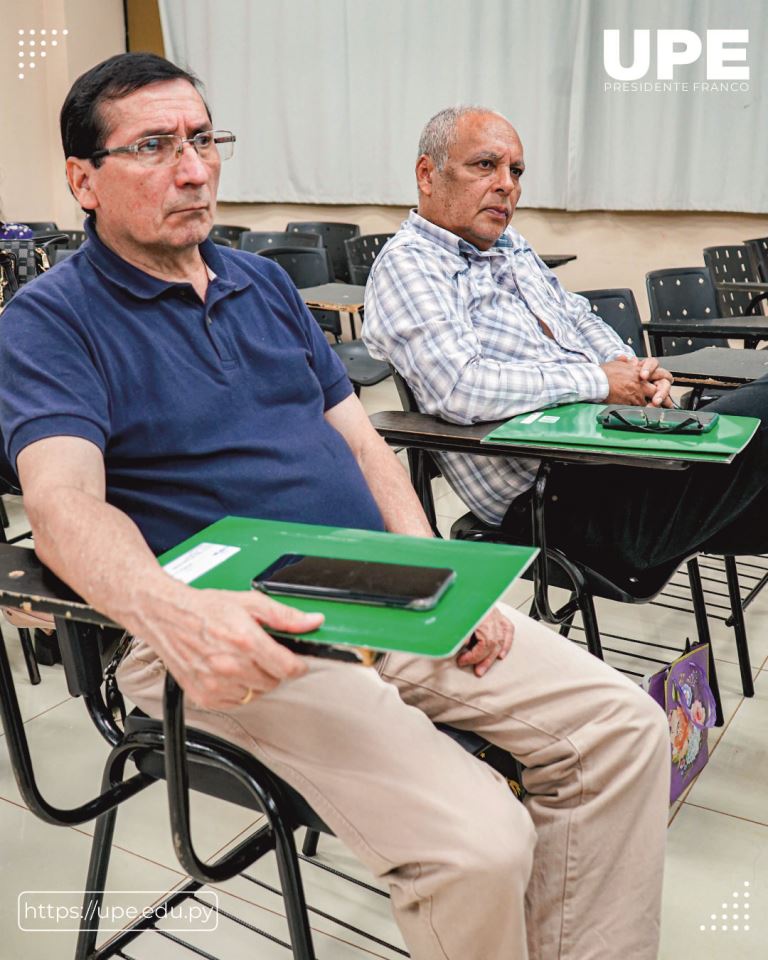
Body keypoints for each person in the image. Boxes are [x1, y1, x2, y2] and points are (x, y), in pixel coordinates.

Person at [0, 57, 669, 960]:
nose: (193, 168)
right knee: (479, 845)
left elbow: (363, 444)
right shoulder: (49, 320)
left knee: (625, 730)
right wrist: (174, 613)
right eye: (154, 146)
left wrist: (441, 576)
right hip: (224, 635)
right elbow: (62, 502)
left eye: (202, 139)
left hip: (376, 589)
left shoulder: (262, 285)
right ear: (82, 178)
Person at [363, 106, 768, 581]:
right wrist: (598, 382)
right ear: (427, 174)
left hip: (619, 454)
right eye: (484, 165)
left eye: (515, 171)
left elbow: (577, 316)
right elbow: (461, 386)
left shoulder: (510, 246)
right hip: (557, 500)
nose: (506, 184)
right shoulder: (410, 266)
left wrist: (628, 367)